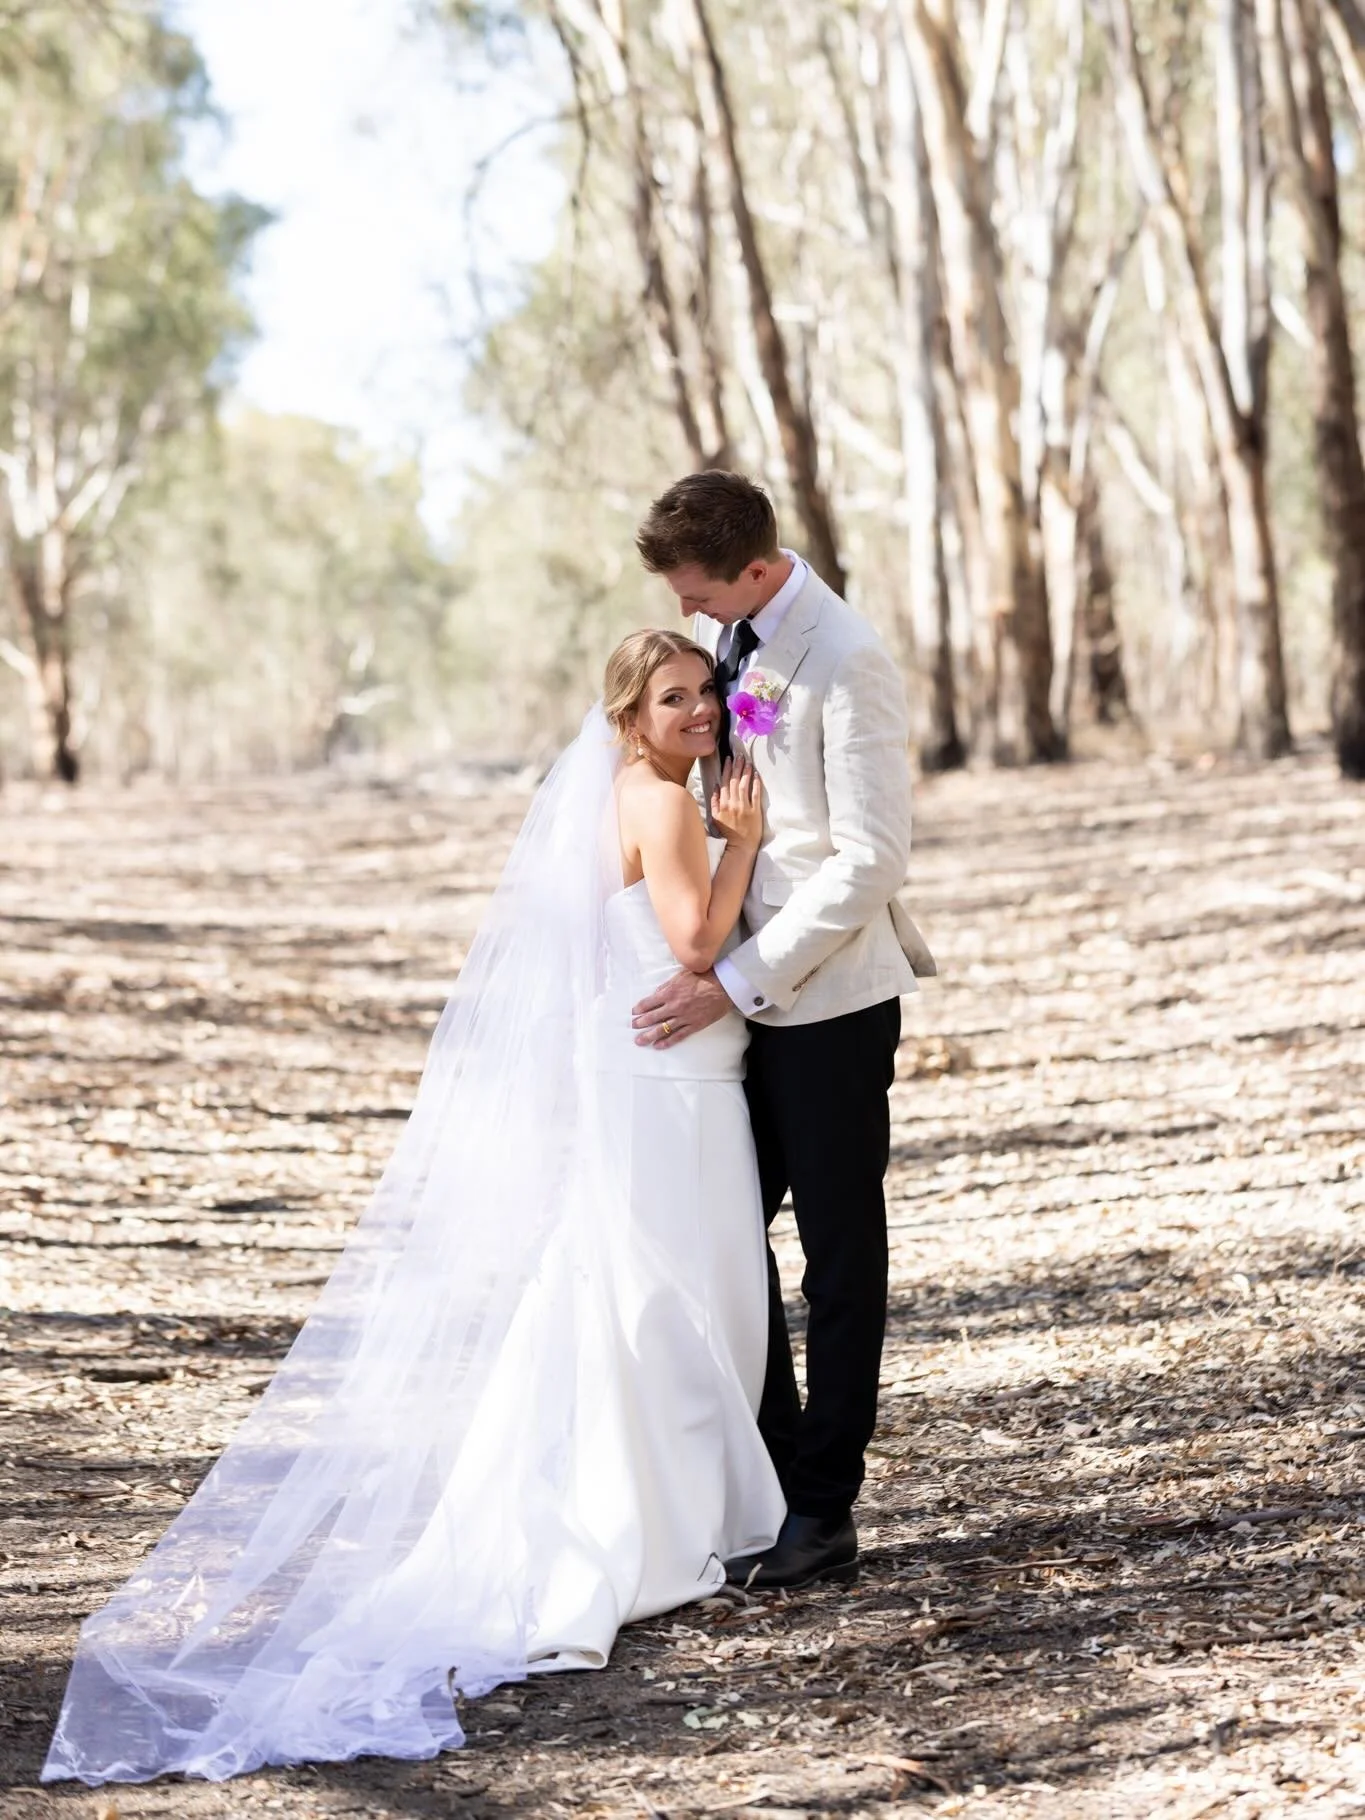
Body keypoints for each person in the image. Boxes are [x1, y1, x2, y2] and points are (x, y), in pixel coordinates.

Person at [42, 630, 785, 1787]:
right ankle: (658, 1527)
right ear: (631, 718)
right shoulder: (673, 806)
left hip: (633, 1074)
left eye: (705, 692)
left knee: (626, 1294)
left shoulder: (616, 799)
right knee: (676, 1299)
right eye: (672, 697)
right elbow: (693, 941)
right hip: (669, 1088)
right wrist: (743, 844)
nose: (698, 711)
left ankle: (627, 1511)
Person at [631, 470, 935, 1592]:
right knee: (719, 1230)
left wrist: (739, 977)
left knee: (840, 1258)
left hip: (830, 1005)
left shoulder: (844, 657)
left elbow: (870, 856)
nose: (693, 610)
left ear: (753, 568)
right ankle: (769, 1460)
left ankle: (824, 1505)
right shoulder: (743, 640)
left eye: (699, 589)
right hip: (736, 1010)